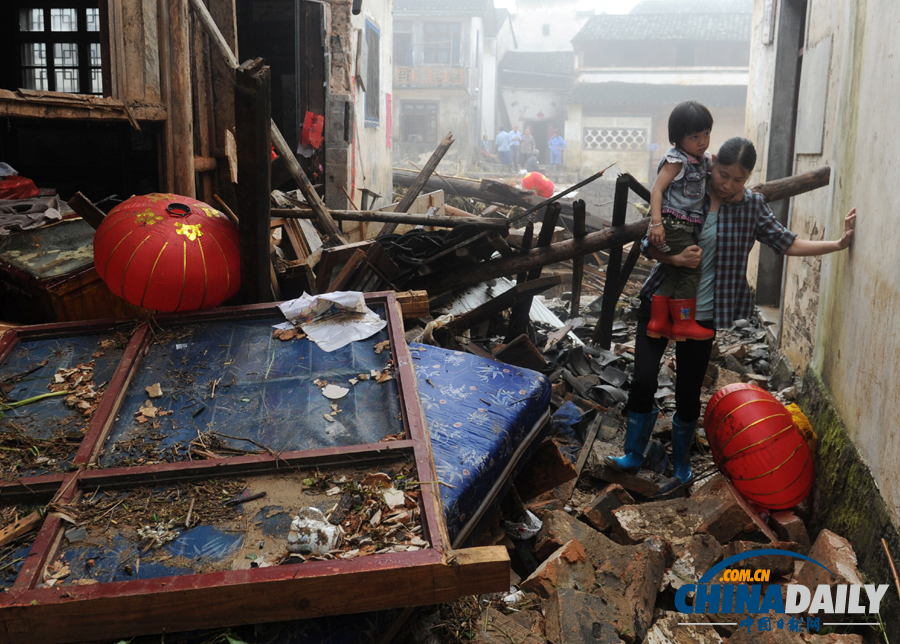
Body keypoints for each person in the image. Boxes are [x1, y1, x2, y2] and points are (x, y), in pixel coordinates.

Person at [605, 136, 857, 490]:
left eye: (738, 179)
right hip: (662, 300)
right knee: (644, 377)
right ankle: (632, 453)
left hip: (703, 313)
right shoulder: (688, 189)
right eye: (723, 175)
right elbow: (649, 244)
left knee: (688, 391)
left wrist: (838, 244)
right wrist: (675, 257)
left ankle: (682, 463)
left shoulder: (752, 206)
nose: (728, 184)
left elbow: (786, 242)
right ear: (713, 166)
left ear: (748, 178)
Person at [647, 100, 715, 343]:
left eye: (706, 134)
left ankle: (658, 323)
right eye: (694, 137)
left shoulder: (702, 159)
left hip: (681, 227)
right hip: (672, 225)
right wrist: (656, 224)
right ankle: (683, 323)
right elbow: (657, 190)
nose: (702, 141)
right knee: (691, 271)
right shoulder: (676, 160)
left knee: (674, 274)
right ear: (678, 138)